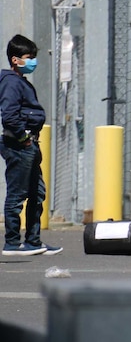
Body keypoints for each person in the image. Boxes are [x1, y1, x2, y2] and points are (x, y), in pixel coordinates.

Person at [1, 34, 62, 256]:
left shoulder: (20, 82)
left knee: (37, 193)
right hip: (19, 145)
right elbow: (9, 115)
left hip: (29, 144)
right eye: (29, 57)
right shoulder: (11, 83)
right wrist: (23, 138)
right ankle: (12, 243)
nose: (33, 61)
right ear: (16, 60)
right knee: (17, 195)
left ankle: (33, 241)